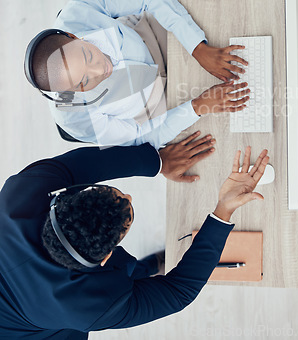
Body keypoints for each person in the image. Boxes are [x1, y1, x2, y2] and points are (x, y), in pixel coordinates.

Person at [0, 131, 269, 339]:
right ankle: (144, 268)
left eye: (112, 192)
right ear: (106, 258)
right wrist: (222, 212)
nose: (128, 195)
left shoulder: (22, 193)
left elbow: (79, 164)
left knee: (135, 273)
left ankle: (147, 266)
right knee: (120, 289)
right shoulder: (88, 305)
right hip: (21, 330)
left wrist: (158, 161)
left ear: (64, 198)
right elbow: (178, 292)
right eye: (127, 217)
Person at [25, 0, 249, 147]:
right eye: (83, 81)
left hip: (151, 38)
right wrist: (198, 106)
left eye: (88, 56)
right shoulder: (74, 118)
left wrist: (197, 48)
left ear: (73, 36)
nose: (102, 70)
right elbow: (139, 137)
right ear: (69, 92)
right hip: (157, 112)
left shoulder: (78, 13)